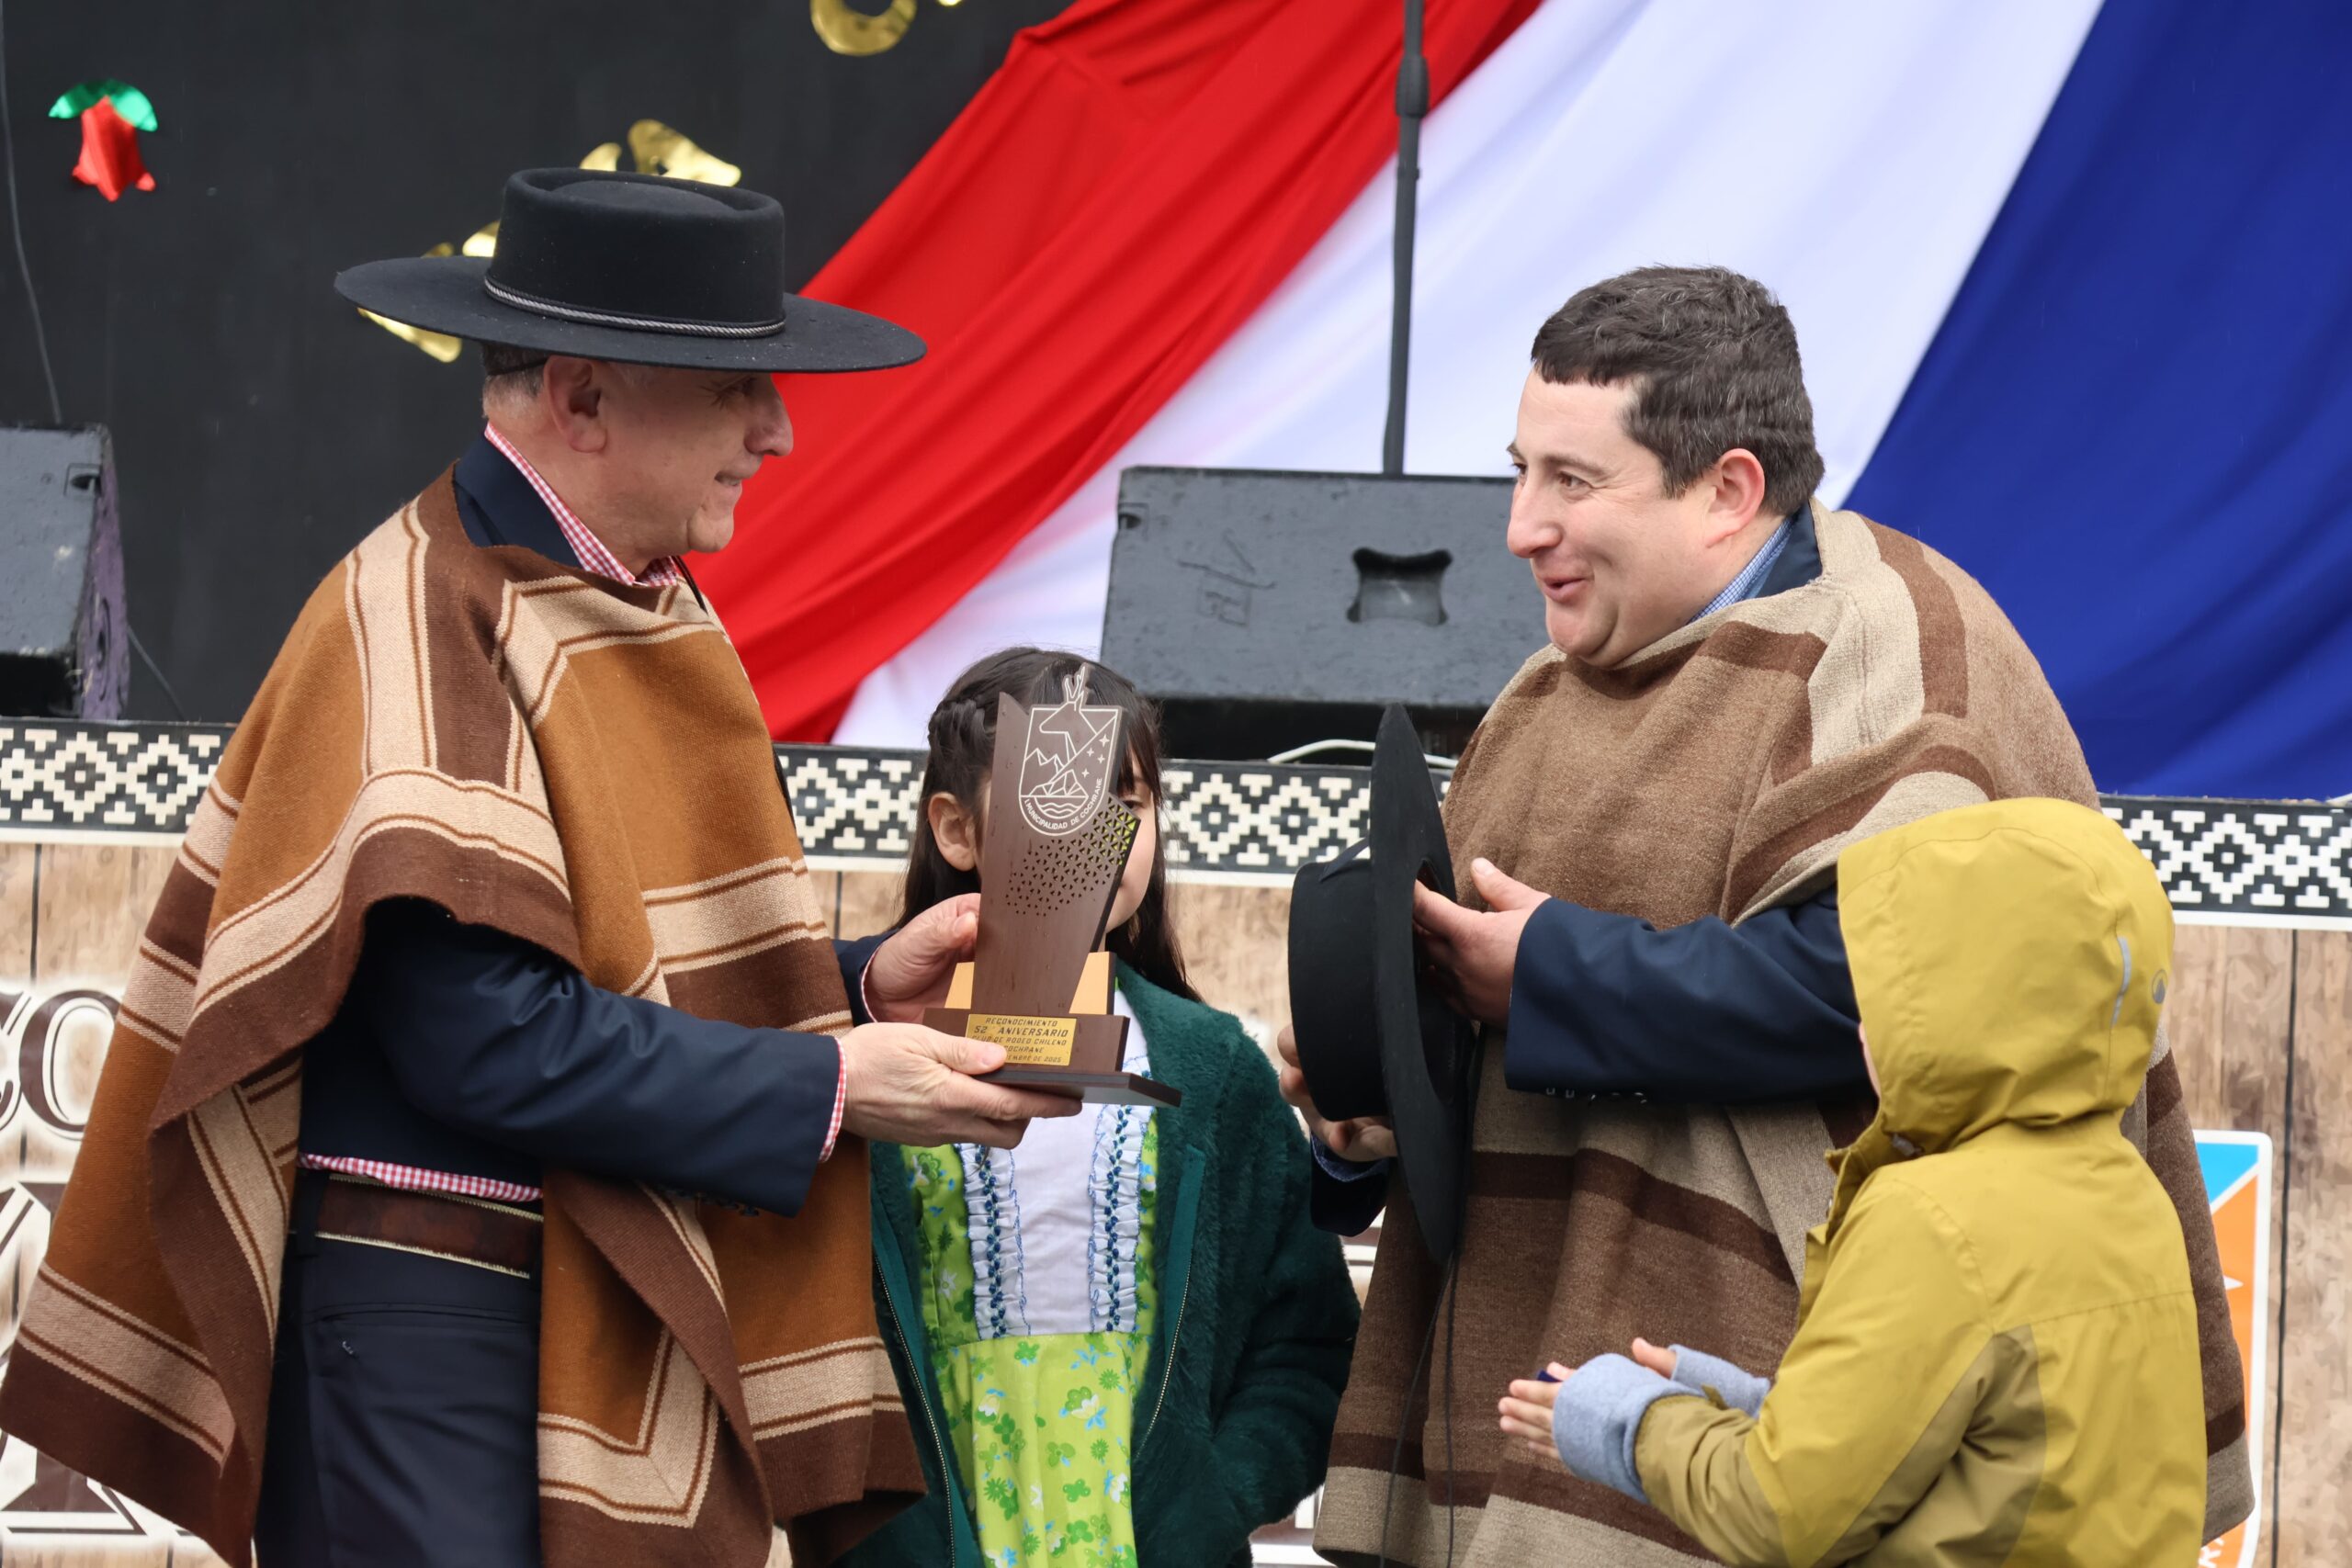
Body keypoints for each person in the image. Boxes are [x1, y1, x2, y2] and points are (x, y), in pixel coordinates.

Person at [0, 169, 1080, 1568]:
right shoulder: (415, 610)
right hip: (428, 1322)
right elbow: (481, 1040)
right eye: (733, 388)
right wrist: (829, 1079)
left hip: (507, 1309)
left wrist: (859, 989)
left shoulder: (620, 601)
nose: (778, 430)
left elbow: (595, 970)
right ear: (579, 399)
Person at [1279, 265, 2248, 1565]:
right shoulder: (1546, 690)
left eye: (1573, 480)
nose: (1520, 525)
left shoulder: (1899, 647)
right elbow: (1485, 1026)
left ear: (1729, 489)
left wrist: (1552, 974)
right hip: (1530, 1365)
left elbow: (1894, 995)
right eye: (1521, 469)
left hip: (1778, 1408)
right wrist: (1382, 1080)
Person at [1503, 798, 2208, 1565]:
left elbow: (1780, 1516)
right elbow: (1994, 1457)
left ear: (1975, 1014)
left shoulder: (1933, 1218)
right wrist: (1750, 1408)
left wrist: (1625, 1421)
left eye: (1901, 995)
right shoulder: (2134, 1197)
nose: (1869, 1027)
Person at [835, 649, 1360, 1568]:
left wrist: (1211, 1495)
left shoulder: (1215, 1071)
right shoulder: (852, 1053)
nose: (1098, 838)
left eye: (1127, 804)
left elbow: (1306, 1347)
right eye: (1054, 798)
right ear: (957, 830)